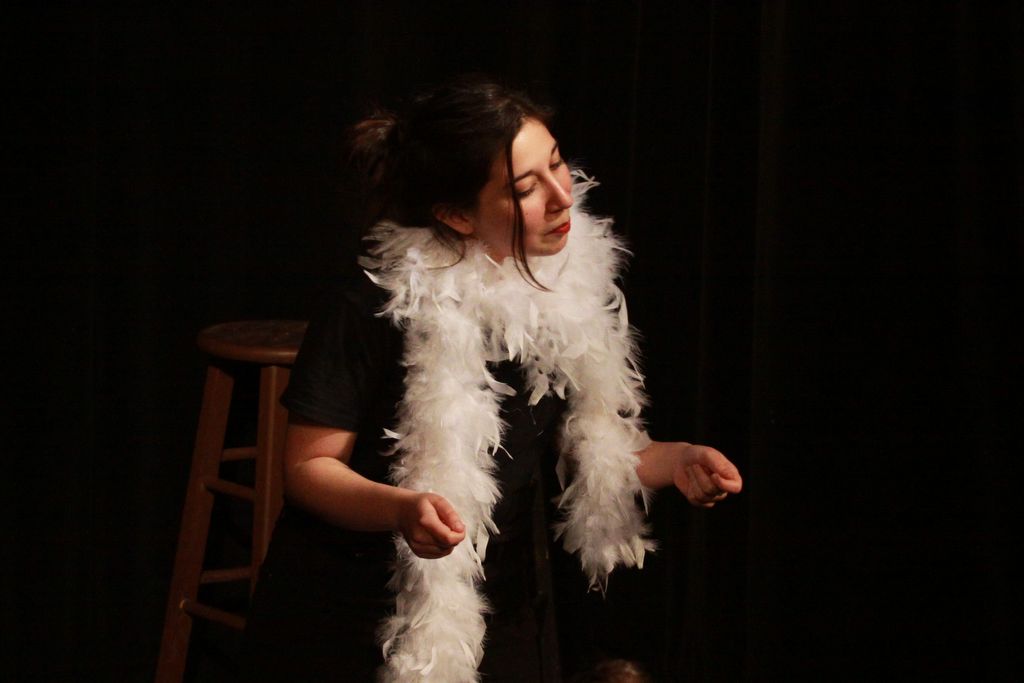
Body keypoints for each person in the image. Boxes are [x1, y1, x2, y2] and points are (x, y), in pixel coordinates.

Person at [240, 75, 742, 682]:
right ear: (456, 215)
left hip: (498, 598)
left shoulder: (566, 290)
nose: (562, 196)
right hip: (356, 610)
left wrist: (678, 460)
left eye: (557, 163)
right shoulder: (372, 305)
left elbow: (593, 450)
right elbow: (307, 470)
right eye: (526, 188)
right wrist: (401, 509)